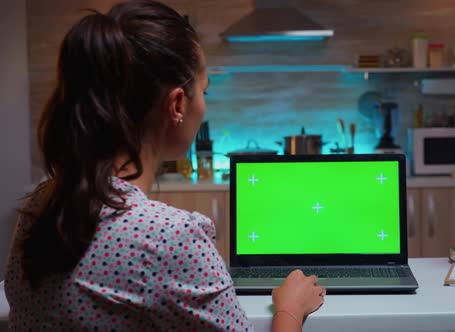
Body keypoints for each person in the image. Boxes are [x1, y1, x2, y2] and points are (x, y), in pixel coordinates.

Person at [4, 1, 325, 331]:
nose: (204, 104)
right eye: (204, 90)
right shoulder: (170, 238)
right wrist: (290, 307)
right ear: (177, 105)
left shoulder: (41, 205)